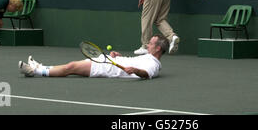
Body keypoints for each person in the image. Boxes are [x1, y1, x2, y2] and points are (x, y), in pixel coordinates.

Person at [19, 34, 168, 79]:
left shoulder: (153, 64)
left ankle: (35, 71)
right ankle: (40, 67)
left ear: (158, 48)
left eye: (151, 43)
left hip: (106, 68)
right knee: (71, 66)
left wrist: (135, 70)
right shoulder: (148, 57)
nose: (148, 44)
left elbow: (146, 74)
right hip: (108, 61)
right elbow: (133, 63)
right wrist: (117, 57)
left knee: (71, 67)